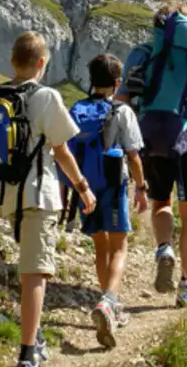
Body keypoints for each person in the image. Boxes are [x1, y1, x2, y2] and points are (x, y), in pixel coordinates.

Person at [0, 31, 96, 367]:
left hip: (6, 195)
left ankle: (33, 335)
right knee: (35, 274)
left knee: (30, 270)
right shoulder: (47, 96)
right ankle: (27, 354)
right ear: (41, 63)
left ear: (13, 60)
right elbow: (61, 150)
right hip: (39, 195)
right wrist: (82, 187)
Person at [114, 0, 187, 307]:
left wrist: (126, 141)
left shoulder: (141, 53)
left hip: (150, 135)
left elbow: (123, 98)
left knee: (161, 202)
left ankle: (164, 248)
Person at [62, 53, 149, 349]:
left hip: (85, 189)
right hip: (113, 187)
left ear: (91, 80)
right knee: (120, 246)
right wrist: (142, 186)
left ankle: (109, 304)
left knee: (100, 246)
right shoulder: (122, 111)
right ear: (116, 82)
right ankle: (109, 302)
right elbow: (134, 155)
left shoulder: (77, 109)